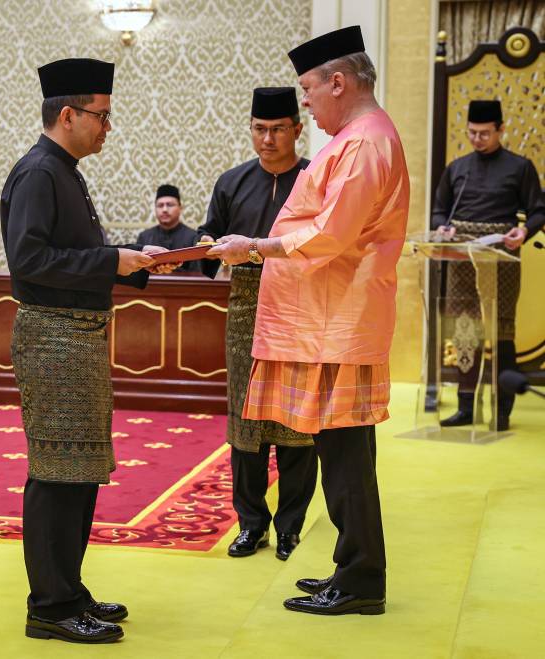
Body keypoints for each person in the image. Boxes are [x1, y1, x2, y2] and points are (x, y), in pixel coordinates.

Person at [209, 25, 409, 616]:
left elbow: (331, 234)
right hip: (329, 316)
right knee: (337, 446)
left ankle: (361, 579)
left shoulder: (366, 141)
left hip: (338, 319)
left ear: (338, 82)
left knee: (345, 451)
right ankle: (352, 568)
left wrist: (256, 247)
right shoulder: (357, 137)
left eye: (308, 91)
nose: (306, 105)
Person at [1, 57, 174, 644]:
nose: (107, 128)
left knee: (79, 472)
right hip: (53, 338)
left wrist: (136, 263)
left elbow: (70, 254)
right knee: (55, 473)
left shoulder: (65, 169)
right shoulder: (39, 173)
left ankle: (69, 589)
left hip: (75, 337)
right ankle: (48, 605)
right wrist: (111, 262)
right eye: (101, 117)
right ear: (68, 114)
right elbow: (27, 261)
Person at [197, 87, 316, 561]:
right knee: (245, 422)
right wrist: (205, 244)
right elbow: (211, 235)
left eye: (277, 130)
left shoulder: (314, 178)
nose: (267, 139)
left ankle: (290, 526)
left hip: (301, 308)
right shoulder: (231, 181)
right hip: (245, 307)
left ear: (296, 130)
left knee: (295, 422)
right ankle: (251, 525)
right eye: (259, 130)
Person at [431, 99, 545, 431]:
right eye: (472, 133)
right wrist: (443, 227)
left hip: (502, 254)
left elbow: (538, 210)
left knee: (502, 329)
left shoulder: (520, 167)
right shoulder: (457, 168)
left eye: (484, 133)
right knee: (466, 330)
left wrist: (523, 231)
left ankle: (503, 409)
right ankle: (467, 406)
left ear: (500, 130)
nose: (477, 139)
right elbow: (440, 210)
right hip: (463, 254)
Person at [136, 184, 199, 271]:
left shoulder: (193, 237)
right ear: (155, 209)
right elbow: (137, 271)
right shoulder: (144, 237)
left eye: (170, 205)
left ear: (180, 208)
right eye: (160, 205)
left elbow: (196, 274)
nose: (164, 209)